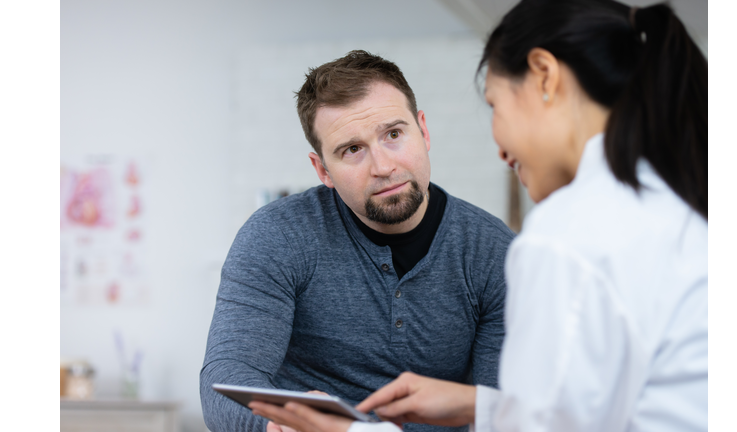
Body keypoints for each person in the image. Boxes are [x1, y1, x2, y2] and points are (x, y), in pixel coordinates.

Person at [246, 0, 708, 431]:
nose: (500, 145)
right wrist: (479, 405)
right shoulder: (683, 202)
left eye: (495, 106)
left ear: (545, 76)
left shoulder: (564, 236)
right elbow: (586, 411)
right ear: (322, 169)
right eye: (352, 150)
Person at [200, 51, 516, 432]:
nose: (383, 167)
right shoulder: (277, 235)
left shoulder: (494, 252)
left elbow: (499, 413)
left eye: (394, 135)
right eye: (352, 150)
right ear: (323, 170)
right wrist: (274, 428)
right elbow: (229, 378)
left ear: (424, 131)